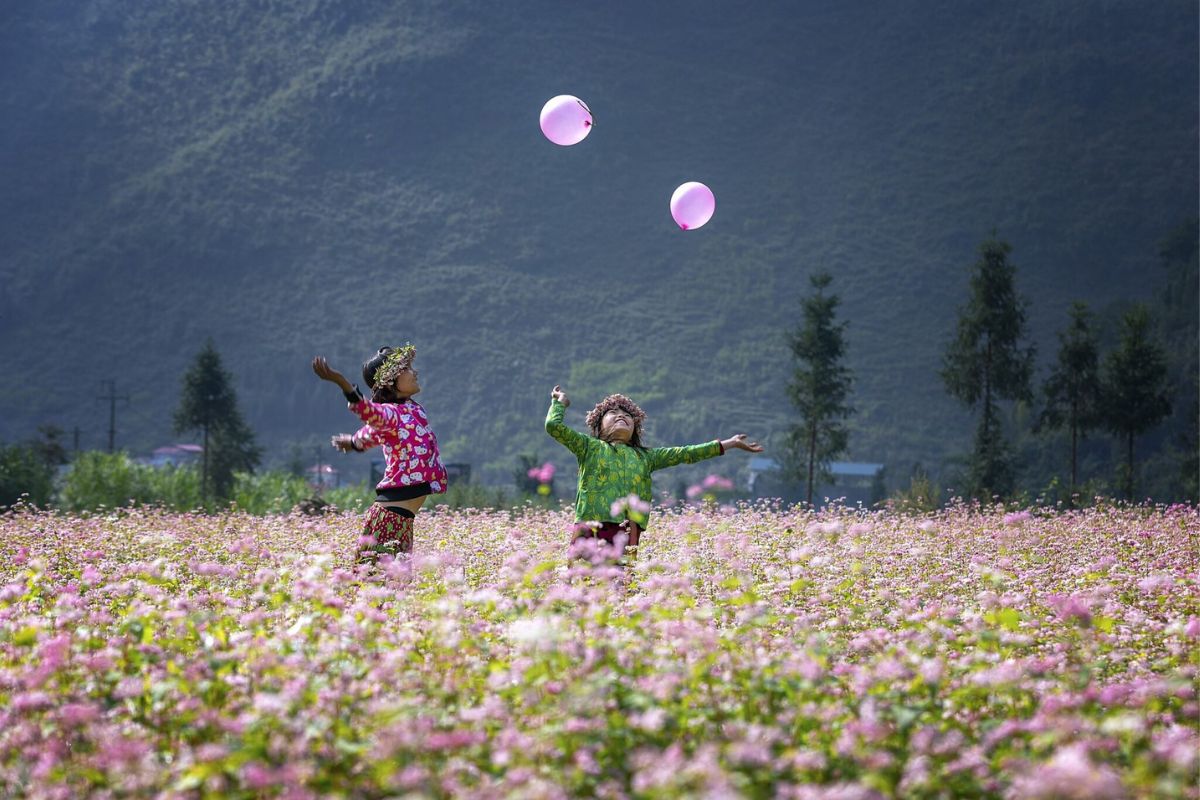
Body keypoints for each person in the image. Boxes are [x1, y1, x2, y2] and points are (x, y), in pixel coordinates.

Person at [545, 385, 762, 562]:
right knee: (582, 589)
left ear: (634, 430)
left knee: (619, 591)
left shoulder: (646, 457)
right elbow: (553, 426)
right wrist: (560, 403)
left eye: (627, 415)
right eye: (613, 413)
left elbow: (686, 453)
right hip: (590, 527)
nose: (621, 416)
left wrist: (729, 444)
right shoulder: (588, 447)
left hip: (627, 531)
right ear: (599, 427)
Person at [312, 345, 447, 561]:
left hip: (402, 521)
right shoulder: (390, 414)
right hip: (389, 519)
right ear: (390, 382)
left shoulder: (412, 410)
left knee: (393, 586)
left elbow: (376, 432)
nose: (414, 372)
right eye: (407, 369)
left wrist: (354, 442)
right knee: (377, 584)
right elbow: (371, 414)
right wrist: (342, 382)